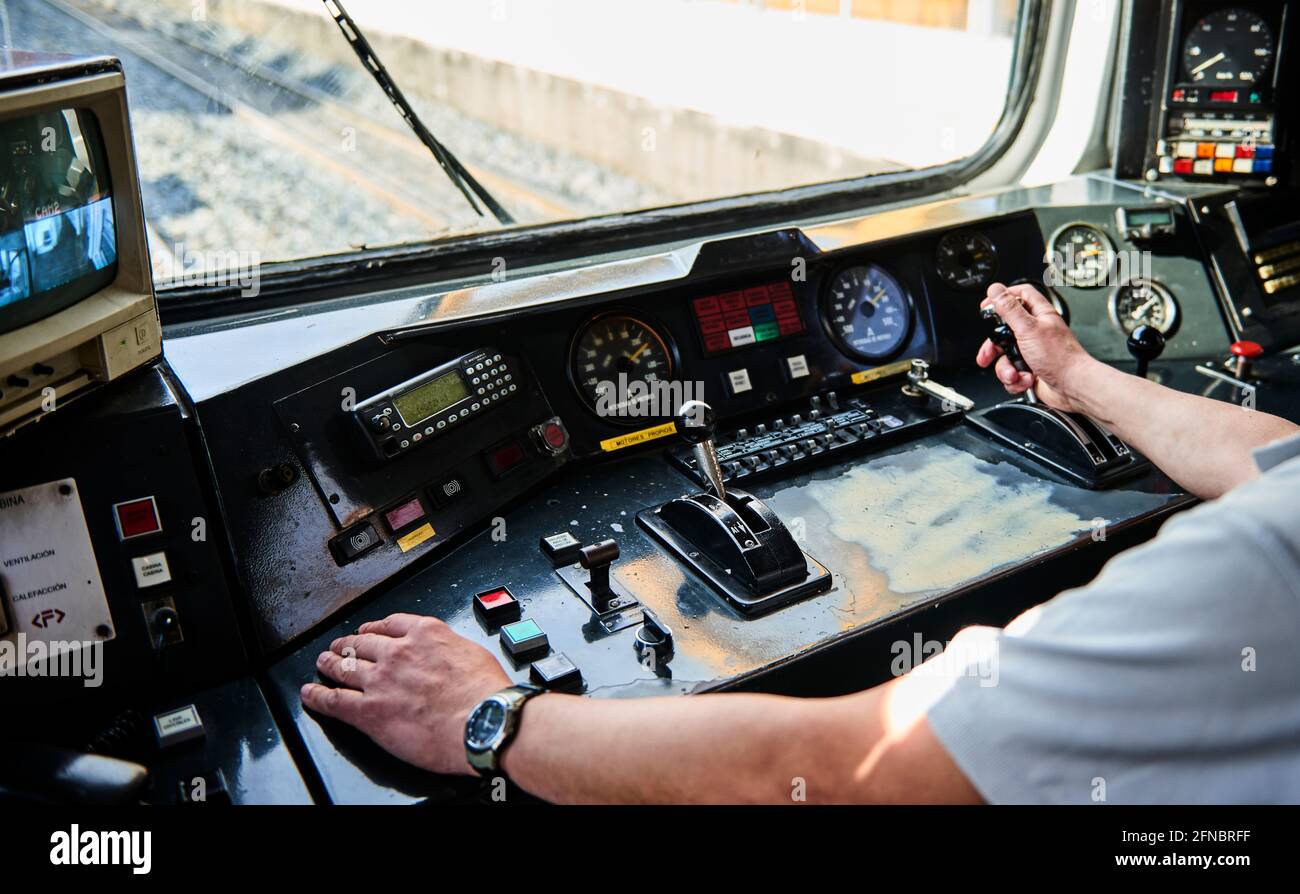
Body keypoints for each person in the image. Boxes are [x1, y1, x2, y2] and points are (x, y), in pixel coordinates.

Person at [302, 282, 1300, 804]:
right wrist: (1077, 378)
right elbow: (1281, 459)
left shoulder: (1248, 583)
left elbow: (833, 773)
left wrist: (497, 721)